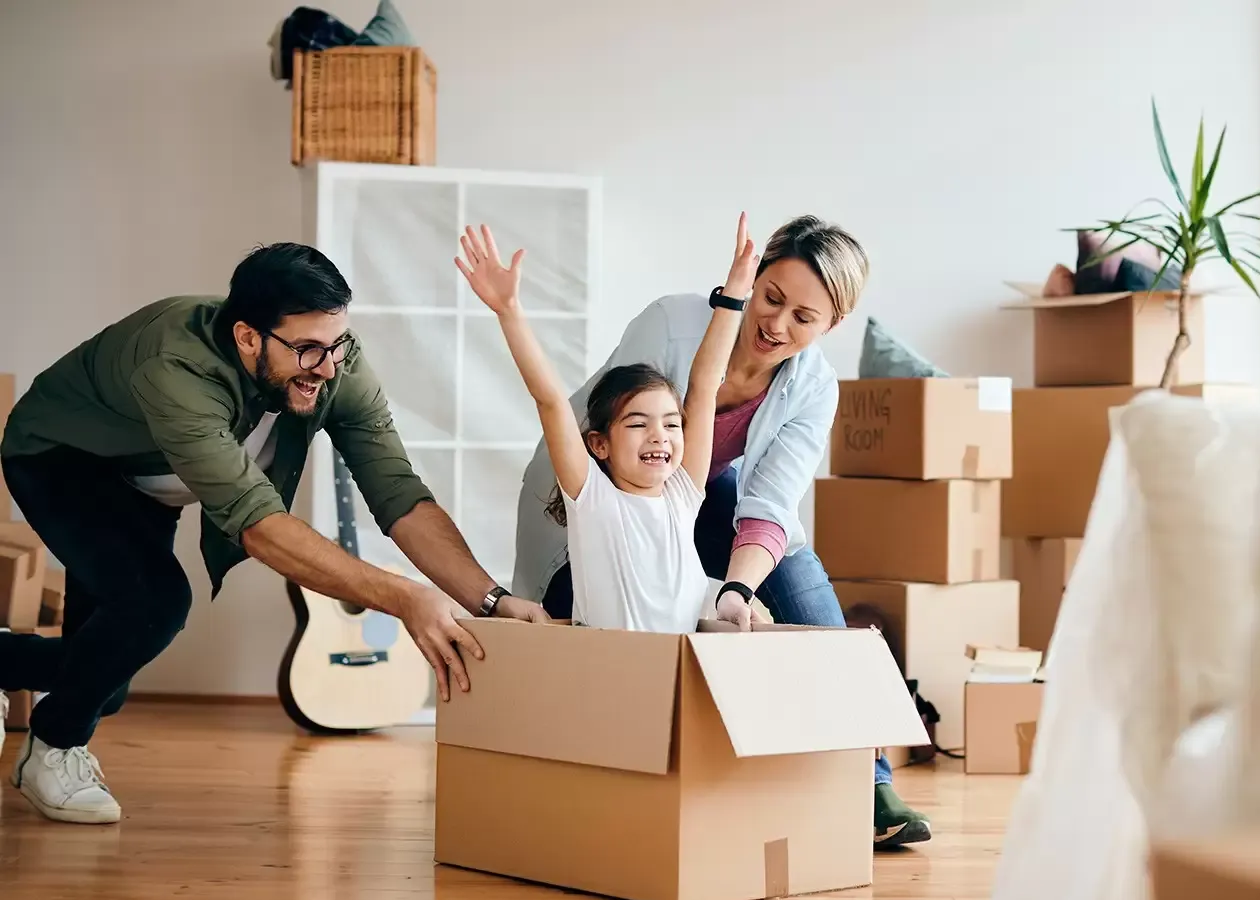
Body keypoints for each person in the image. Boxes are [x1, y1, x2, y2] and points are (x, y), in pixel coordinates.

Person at [0, 243, 548, 825]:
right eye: (308, 349)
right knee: (154, 606)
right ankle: (52, 749)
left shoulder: (334, 363)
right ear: (247, 338)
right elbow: (258, 525)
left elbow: (397, 492)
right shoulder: (176, 367)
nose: (329, 367)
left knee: (105, 681)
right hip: (64, 461)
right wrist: (404, 598)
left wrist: (492, 599)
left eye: (337, 343)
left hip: (149, 482)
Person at [512, 214, 933, 848]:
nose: (777, 325)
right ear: (753, 279)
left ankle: (866, 781)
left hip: (693, 493)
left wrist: (735, 591)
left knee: (795, 575)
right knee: (589, 644)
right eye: (771, 298)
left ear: (833, 324)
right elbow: (615, 425)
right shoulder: (670, 324)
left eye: (804, 317)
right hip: (600, 489)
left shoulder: (814, 386)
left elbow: (770, 501)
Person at [457, 220, 766, 632]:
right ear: (599, 444)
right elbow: (550, 401)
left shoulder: (682, 495)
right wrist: (509, 311)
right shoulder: (594, 500)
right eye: (638, 424)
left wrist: (735, 295)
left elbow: (705, 387)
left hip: (677, 664)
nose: (659, 436)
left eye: (671, 424)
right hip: (612, 665)